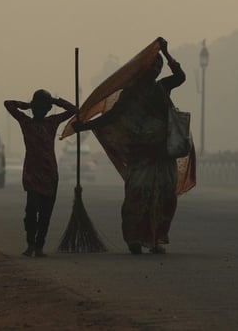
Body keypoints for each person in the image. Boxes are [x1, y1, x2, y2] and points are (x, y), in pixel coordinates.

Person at [73, 37, 186, 255]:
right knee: (137, 194)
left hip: (163, 152)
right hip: (142, 152)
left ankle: (155, 240)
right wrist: (84, 126)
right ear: (143, 68)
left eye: (158, 66)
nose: (155, 69)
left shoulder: (163, 87)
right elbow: (111, 117)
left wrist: (167, 53)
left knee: (165, 196)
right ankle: (134, 239)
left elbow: (181, 77)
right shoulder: (131, 93)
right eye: (152, 64)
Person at [4, 89, 78, 257]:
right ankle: (30, 244)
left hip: (49, 173)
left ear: (47, 109)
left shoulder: (52, 122)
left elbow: (75, 110)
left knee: (45, 213)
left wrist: (55, 100)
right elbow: (8, 104)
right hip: (32, 172)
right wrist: (28, 105)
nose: (39, 111)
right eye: (37, 107)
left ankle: (39, 246)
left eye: (42, 108)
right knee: (31, 210)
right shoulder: (26, 122)